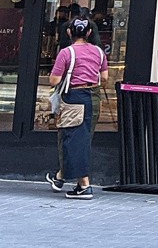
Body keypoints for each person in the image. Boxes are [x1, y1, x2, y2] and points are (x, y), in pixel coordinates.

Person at [46, 17, 108, 199]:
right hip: (93, 98)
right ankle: (60, 177)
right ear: (89, 33)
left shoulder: (67, 53)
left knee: (72, 140)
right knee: (83, 139)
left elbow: (54, 80)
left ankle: (84, 186)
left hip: (74, 98)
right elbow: (104, 77)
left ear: (69, 32)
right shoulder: (99, 51)